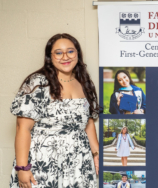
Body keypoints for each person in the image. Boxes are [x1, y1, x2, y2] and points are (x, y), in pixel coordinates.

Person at [9, 33, 100, 188]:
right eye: (58, 53)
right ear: (50, 57)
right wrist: (22, 168)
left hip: (79, 161)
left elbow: (88, 122)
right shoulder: (38, 82)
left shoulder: (83, 81)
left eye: (70, 51)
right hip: (44, 161)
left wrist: (96, 154)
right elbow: (22, 127)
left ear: (77, 53)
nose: (65, 57)